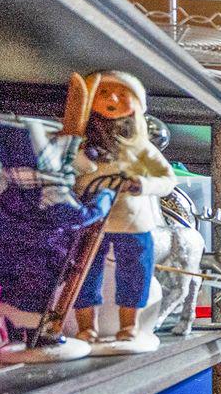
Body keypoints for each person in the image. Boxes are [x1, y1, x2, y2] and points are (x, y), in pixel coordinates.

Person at [69, 71, 175, 353]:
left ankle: (129, 326)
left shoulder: (140, 149)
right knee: (84, 273)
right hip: (90, 220)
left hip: (133, 223)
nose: (112, 99)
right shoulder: (81, 144)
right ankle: (86, 327)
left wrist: (142, 184)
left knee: (135, 273)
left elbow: (167, 180)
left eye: (121, 93)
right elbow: (69, 169)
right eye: (103, 93)